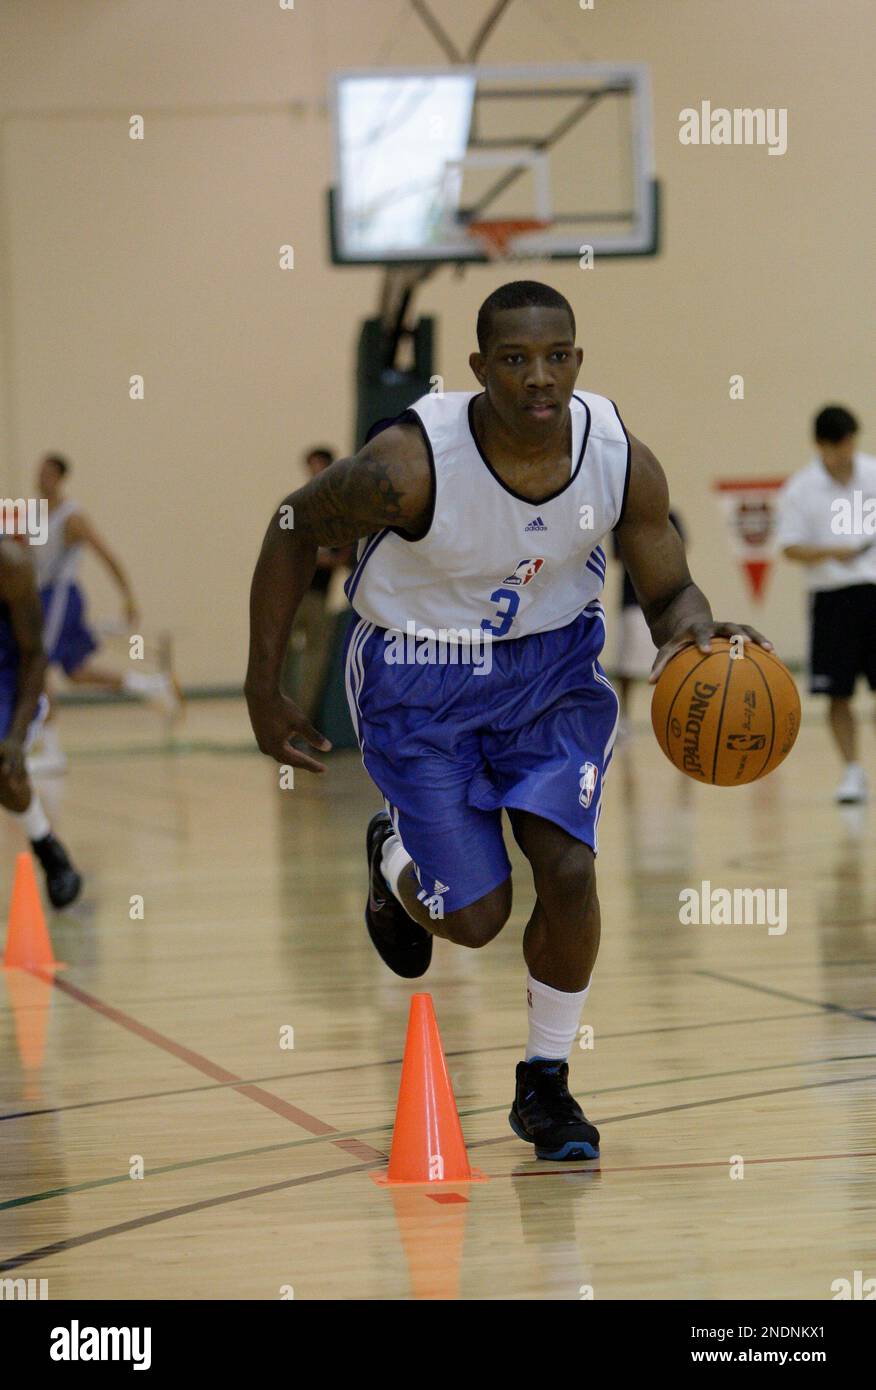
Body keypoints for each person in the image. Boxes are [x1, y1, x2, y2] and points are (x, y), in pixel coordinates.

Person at [245, 280, 769, 1162]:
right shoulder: (408, 466)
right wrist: (263, 686)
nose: (540, 378)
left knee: (568, 873)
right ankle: (393, 854)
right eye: (517, 360)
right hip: (421, 675)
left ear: (577, 361)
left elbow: (669, 588)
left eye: (557, 357)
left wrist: (696, 639)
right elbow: (293, 524)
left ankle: (547, 1085)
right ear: (479, 369)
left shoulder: (617, 456)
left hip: (552, 673)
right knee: (480, 917)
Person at [29, 454, 181, 773]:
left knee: (36, 665)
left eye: (46, 473)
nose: (40, 478)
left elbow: (105, 553)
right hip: (43, 595)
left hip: (61, 595)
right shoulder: (35, 514)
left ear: (59, 477)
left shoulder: (72, 517)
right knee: (76, 672)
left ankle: (52, 750)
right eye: (38, 472)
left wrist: (128, 597)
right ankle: (153, 685)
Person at [776, 406, 876, 804]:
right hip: (833, 600)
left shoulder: (872, 473)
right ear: (820, 445)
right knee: (838, 693)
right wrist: (834, 552)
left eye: (852, 442)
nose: (847, 452)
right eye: (839, 445)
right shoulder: (801, 489)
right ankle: (852, 771)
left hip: (875, 592)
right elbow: (790, 547)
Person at [0, 539, 81, 906]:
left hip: (7, 677)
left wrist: (16, 736)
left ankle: (49, 850)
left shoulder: (10, 565)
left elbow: (35, 655)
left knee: (5, 771)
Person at [285, 447, 352, 722]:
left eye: (321, 466)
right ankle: (283, 715)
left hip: (318, 596)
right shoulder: (297, 506)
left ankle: (302, 720)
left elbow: (344, 551)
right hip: (292, 594)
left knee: (315, 663)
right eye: (312, 466)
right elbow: (288, 549)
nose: (316, 472)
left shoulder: (339, 509)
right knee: (280, 658)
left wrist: (326, 559)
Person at [612, 509, 686, 732]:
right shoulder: (620, 521)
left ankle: (676, 716)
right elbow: (617, 555)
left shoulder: (670, 517)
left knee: (672, 663)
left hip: (667, 599)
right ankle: (623, 719)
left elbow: (679, 550)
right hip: (633, 599)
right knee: (627, 664)